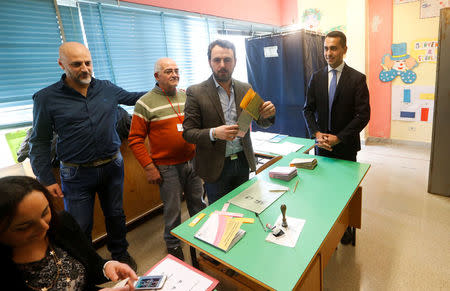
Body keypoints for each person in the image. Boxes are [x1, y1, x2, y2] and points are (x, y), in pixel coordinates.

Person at [29, 42, 145, 270]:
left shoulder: (106, 88)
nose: (84, 68)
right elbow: (39, 141)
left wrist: (163, 86)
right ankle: (88, 266)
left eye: (88, 62)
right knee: (79, 225)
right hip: (76, 173)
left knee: (116, 215)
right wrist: (46, 179)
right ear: (62, 64)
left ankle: (120, 255)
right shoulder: (46, 98)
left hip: (113, 166)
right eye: (76, 64)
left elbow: (135, 98)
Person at [0, 176, 138, 291]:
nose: (44, 226)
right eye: (25, 226)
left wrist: (107, 267)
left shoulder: (62, 223)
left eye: (45, 213)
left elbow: (92, 264)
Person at [128, 58, 205, 260]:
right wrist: (148, 167)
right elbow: (135, 139)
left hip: (193, 161)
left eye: (176, 70)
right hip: (167, 167)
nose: (174, 74)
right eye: (168, 71)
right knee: (173, 210)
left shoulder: (186, 95)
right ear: (157, 76)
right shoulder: (144, 103)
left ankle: (203, 236)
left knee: (198, 202)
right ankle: (172, 244)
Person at [183, 39, 276, 204]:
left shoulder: (245, 88)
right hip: (215, 166)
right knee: (221, 214)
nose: (222, 65)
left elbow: (262, 122)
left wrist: (269, 114)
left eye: (227, 60)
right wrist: (214, 133)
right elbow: (188, 133)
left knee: (245, 207)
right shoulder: (196, 92)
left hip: (242, 161)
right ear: (209, 62)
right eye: (217, 60)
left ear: (235, 62)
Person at [303, 31, 370, 244]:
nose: (328, 53)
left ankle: (347, 227)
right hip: (322, 146)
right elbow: (307, 110)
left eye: (333, 48)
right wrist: (316, 133)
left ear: (344, 50)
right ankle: (327, 224)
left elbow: (363, 115)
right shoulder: (316, 77)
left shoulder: (357, 79)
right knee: (323, 190)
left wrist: (339, 138)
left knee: (345, 192)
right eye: (325, 48)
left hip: (346, 146)